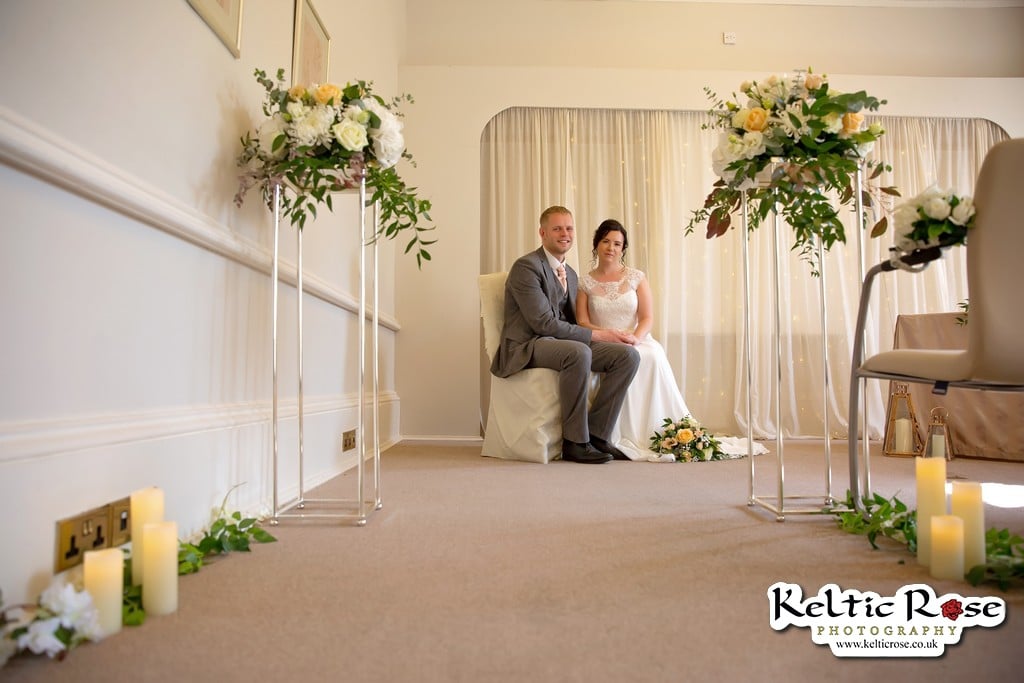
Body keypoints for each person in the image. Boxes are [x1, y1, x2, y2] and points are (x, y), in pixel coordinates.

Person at [576, 219, 762, 461]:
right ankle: (608, 434)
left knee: (650, 356)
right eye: (606, 242)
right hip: (604, 342)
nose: (611, 248)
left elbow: (647, 317)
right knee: (622, 359)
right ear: (596, 244)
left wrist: (634, 338)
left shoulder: (635, 277)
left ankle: (654, 430)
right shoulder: (585, 282)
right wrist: (608, 336)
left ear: (623, 249)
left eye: (617, 244)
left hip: (635, 338)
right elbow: (582, 322)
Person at [490, 206, 641, 464]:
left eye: (569, 228)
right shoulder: (526, 267)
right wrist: (600, 336)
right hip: (528, 344)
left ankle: (596, 434)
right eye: (557, 228)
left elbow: (573, 321)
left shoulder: (570, 273)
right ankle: (575, 442)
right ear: (543, 232)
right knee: (578, 352)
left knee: (627, 356)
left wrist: (609, 335)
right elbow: (544, 324)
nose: (565, 234)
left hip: (558, 343)